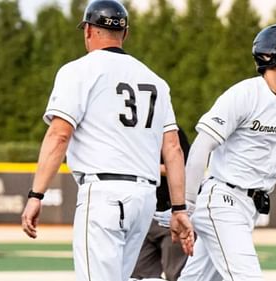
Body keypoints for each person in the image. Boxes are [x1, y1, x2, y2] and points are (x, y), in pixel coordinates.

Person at [20, 1, 194, 281]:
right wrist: (179, 209)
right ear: (125, 34)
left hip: (104, 194)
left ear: (88, 30)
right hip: (145, 199)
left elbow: (59, 134)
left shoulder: (78, 70)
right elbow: (173, 148)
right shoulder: (156, 80)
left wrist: (36, 194)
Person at [178, 23, 276, 281]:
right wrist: (185, 205)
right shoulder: (244, 94)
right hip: (222, 200)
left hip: (252, 206)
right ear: (267, 54)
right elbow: (201, 147)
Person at [132, 127, 190, 281]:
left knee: (177, 275)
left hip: (169, 214)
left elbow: (184, 166)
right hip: (142, 214)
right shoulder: (131, 133)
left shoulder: (171, 131)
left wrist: (148, 169)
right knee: (138, 275)